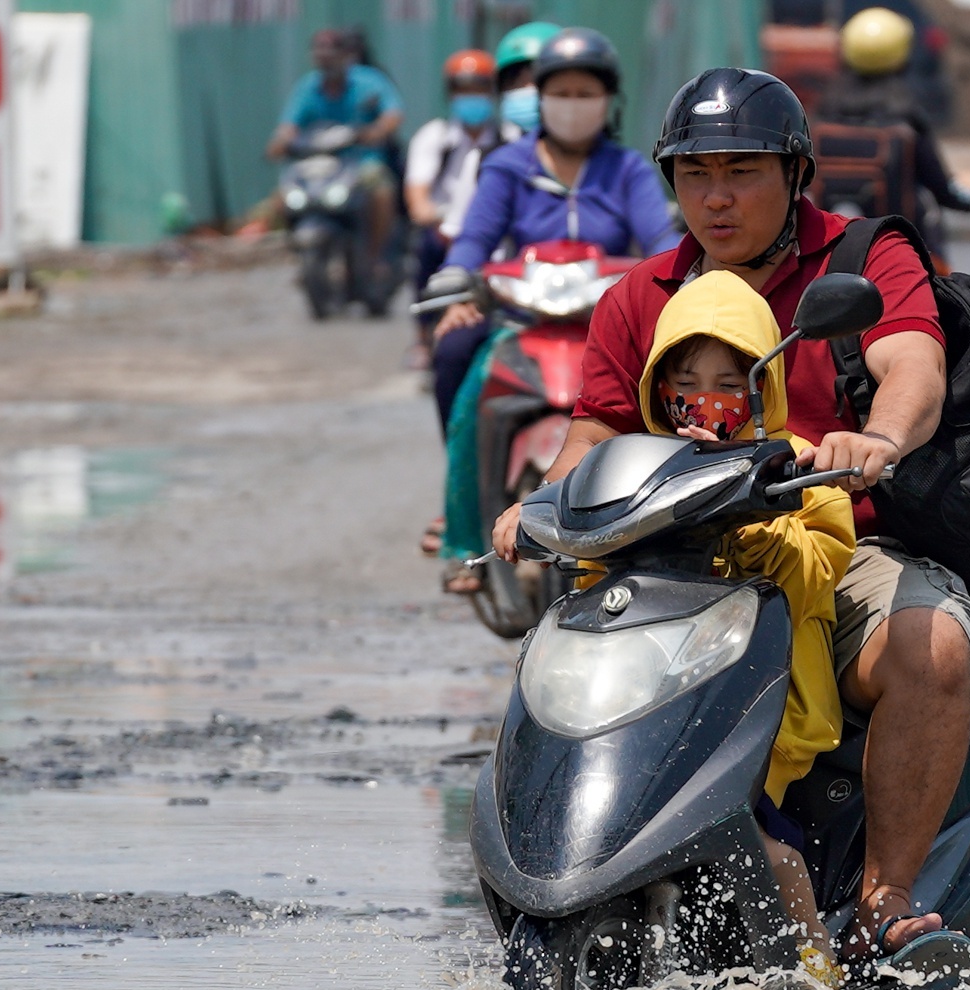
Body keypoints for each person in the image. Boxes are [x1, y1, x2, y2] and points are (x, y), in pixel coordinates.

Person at [490, 68, 970, 964]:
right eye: (696, 173)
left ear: (795, 174)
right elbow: (595, 426)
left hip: (834, 541)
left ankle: (884, 901)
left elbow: (914, 365)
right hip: (678, 562)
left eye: (743, 171)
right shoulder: (642, 294)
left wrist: (876, 438)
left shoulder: (862, 261)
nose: (716, 197)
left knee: (934, 645)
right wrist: (542, 500)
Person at [640, 270, 857, 983]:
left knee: (768, 851)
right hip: (655, 702)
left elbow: (816, 568)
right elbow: (594, 563)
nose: (705, 399)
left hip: (760, 709)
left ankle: (817, 986)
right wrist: (533, 518)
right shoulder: (641, 470)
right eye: (686, 381)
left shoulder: (801, 470)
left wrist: (750, 509)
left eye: (729, 383)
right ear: (658, 387)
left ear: (764, 388)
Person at [423, 27, 680, 589]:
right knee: (458, 360)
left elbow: (661, 240)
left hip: (606, 325)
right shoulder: (508, 166)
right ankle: (461, 529)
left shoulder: (627, 168)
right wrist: (458, 285)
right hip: (520, 318)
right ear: (539, 99)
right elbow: (474, 239)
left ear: (609, 100)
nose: (573, 105)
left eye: (585, 93)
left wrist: (685, 276)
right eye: (560, 93)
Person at [823, 6, 970, 265]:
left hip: (828, 252)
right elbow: (939, 187)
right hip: (901, 253)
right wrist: (968, 195)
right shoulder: (907, 118)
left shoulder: (823, 116)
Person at [266, 28, 405, 269]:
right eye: (321, 56)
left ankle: (376, 256)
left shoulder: (368, 81)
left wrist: (375, 131)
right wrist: (280, 143)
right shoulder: (308, 87)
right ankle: (295, 251)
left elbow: (393, 114)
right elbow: (288, 126)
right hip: (322, 165)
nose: (326, 61)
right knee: (281, 197)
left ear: (345, 55)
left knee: (381, 190)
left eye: (332, 55)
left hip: (362, 161)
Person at [406, 50, 501, 362]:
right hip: (447, 229)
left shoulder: (508, 140)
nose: (471, 97)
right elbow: (418, 197)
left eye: (479, 89)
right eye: (463, 90)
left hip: (493, 233)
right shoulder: (434, 137)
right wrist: (438, 221)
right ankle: (423, 337)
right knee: (428, 250)